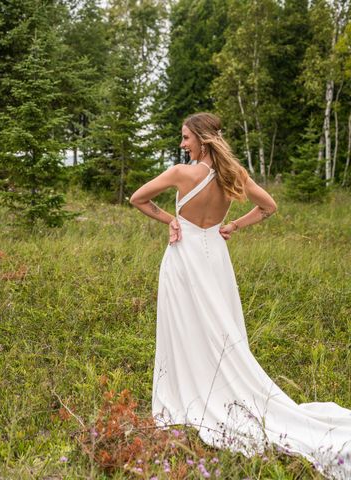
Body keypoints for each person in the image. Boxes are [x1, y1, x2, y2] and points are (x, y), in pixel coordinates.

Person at [130, 112, 350, 479]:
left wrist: (170, 219)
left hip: (184, 258)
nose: (183, 144)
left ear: (201, 138)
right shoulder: (235, 174)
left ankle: (188, 395)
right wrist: (232, 224)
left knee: (185, 328)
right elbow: (269, 207)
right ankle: (217, 388)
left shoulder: (180, 173)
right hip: (216, 255)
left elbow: (138, 199)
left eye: (186, 138)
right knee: (220, 327)